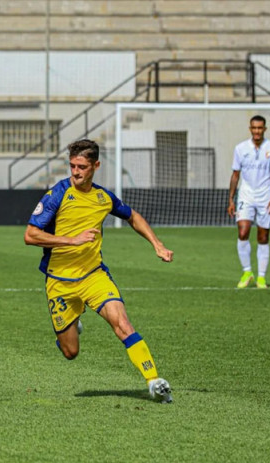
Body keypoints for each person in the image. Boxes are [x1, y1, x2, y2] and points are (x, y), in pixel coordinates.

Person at [24, 139, 174, 403]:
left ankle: (154, 381)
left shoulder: (103, 197)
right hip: (60, 282)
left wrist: (157, 245)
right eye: (72, 166)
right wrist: (72, 239)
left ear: (96, 166)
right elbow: (30, 235)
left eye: (81, 166)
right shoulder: (57, 194)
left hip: (94, 275)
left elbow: (133, 216)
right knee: (70, 352)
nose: (75, 172)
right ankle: (72, 326)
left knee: (122, 323)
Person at [227, 115, 270, 289]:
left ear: (264, 129)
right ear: (250, 129)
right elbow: (235, 175)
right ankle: (247, 271)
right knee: (243, 232)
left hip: (265, 196)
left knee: (263, 236)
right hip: (246, 195)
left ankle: (261, 277)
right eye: (254, 128)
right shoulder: (240, 148)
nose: (257, 131)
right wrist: (231, 199)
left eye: (260, 128)